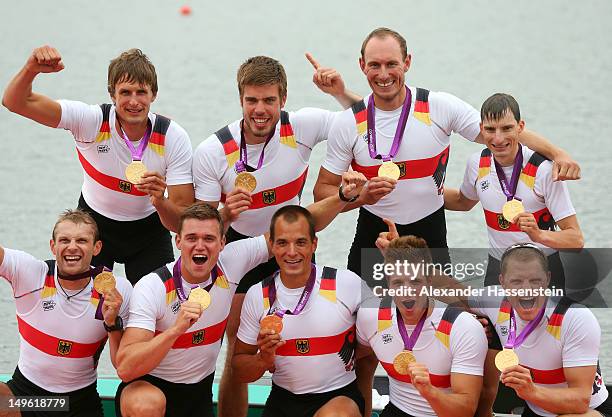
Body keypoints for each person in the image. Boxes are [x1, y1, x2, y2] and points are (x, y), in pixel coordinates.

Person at [313, 27, 581, 284]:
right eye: (374, 65)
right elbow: (322, 192)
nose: (383, 73)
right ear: (362, 66)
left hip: (430, 232)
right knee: (367, 323)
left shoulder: (439, 106)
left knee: (440, 323)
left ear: (407, 62)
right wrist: (361, 196)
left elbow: (499, 133)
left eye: (391, 63)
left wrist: (557, 153)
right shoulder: (347, 123)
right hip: (375, 232)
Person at [114, 172, 366, 417]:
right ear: (177, 241)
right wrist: (175, 330)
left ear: (223, 243)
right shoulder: (153, 286)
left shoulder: (232, 261)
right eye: (191, 238)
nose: (200, 245)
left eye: (209, 238)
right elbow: (126, 368)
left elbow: (292, 231)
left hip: (198, 392)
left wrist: (342, 196)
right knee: (145, 406)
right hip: (150, 385)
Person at [192, 54, 361, 416]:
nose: (260, 110)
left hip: (291, 247)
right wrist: (224, 214)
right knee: (238, 353)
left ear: (283, 100)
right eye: (252, 100)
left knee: (301, 332)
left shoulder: (303, 125)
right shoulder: (211, 152)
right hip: (238, 251)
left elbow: (366, 119)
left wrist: (340, 92)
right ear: (240, 99)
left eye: (269, 100)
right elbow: (203, 232)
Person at [2, 45, 194, 284]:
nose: (133, 102)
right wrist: (31, 69)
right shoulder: (91, 121)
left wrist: (161, 201)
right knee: (91, 309)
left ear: (153, 94)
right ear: (112, 95)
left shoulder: (173, 137)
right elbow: (14, 102)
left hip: (149, 230)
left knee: (158, 309)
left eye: (141, 92)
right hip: (94, 223)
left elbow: (183, 225)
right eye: (125, 92)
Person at [232, 204, 378, 417]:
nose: (292, 252)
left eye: (300, 242)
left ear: (314, 244)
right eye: (282, 243)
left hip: (337, 397)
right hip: (283, 398)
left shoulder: (346, 283)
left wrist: (394, 256)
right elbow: (240, 369)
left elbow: (390, 327)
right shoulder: (258, 295)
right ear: (271, 245)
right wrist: (261, 360)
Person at [0, 209, 132, 417]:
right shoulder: (32, 274)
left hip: (78, 403)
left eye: (81, 240)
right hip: (28, 398)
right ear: (53, 246)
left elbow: (123, 366)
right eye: (64, 240)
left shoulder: (117, 291)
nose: (72, 247)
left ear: (96, 248)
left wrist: (113, 324)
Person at [444, 93, 583, 288]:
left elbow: (576, 240)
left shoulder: (543, 170)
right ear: (481, 129)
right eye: (490, 129)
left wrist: (538, 235)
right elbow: (462, 202)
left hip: (543, 270)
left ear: (521, 127)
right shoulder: (477, 163)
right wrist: (416, 192)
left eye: (507, 128)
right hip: (498, 270)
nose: (498, 138)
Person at [470, 244, 612, 417]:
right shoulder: (492, 299)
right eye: (516, 281)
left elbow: (580, 400)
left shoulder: (576, 317)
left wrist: (532, 391)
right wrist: (472, 323)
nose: (526, 289)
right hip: (537, 409)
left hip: (587, 411)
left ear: (547, 279)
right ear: (502, 282)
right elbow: (448, 297)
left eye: (535, 281)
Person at [356, 235, 487, 417]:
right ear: (388, 283)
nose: (407, 290)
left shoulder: (463, 327)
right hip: (397, 410)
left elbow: (465, 410)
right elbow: (358, 358)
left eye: (415, 282)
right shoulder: (371, 316)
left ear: (429, 281)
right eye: (398, 282)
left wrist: (428, 391)